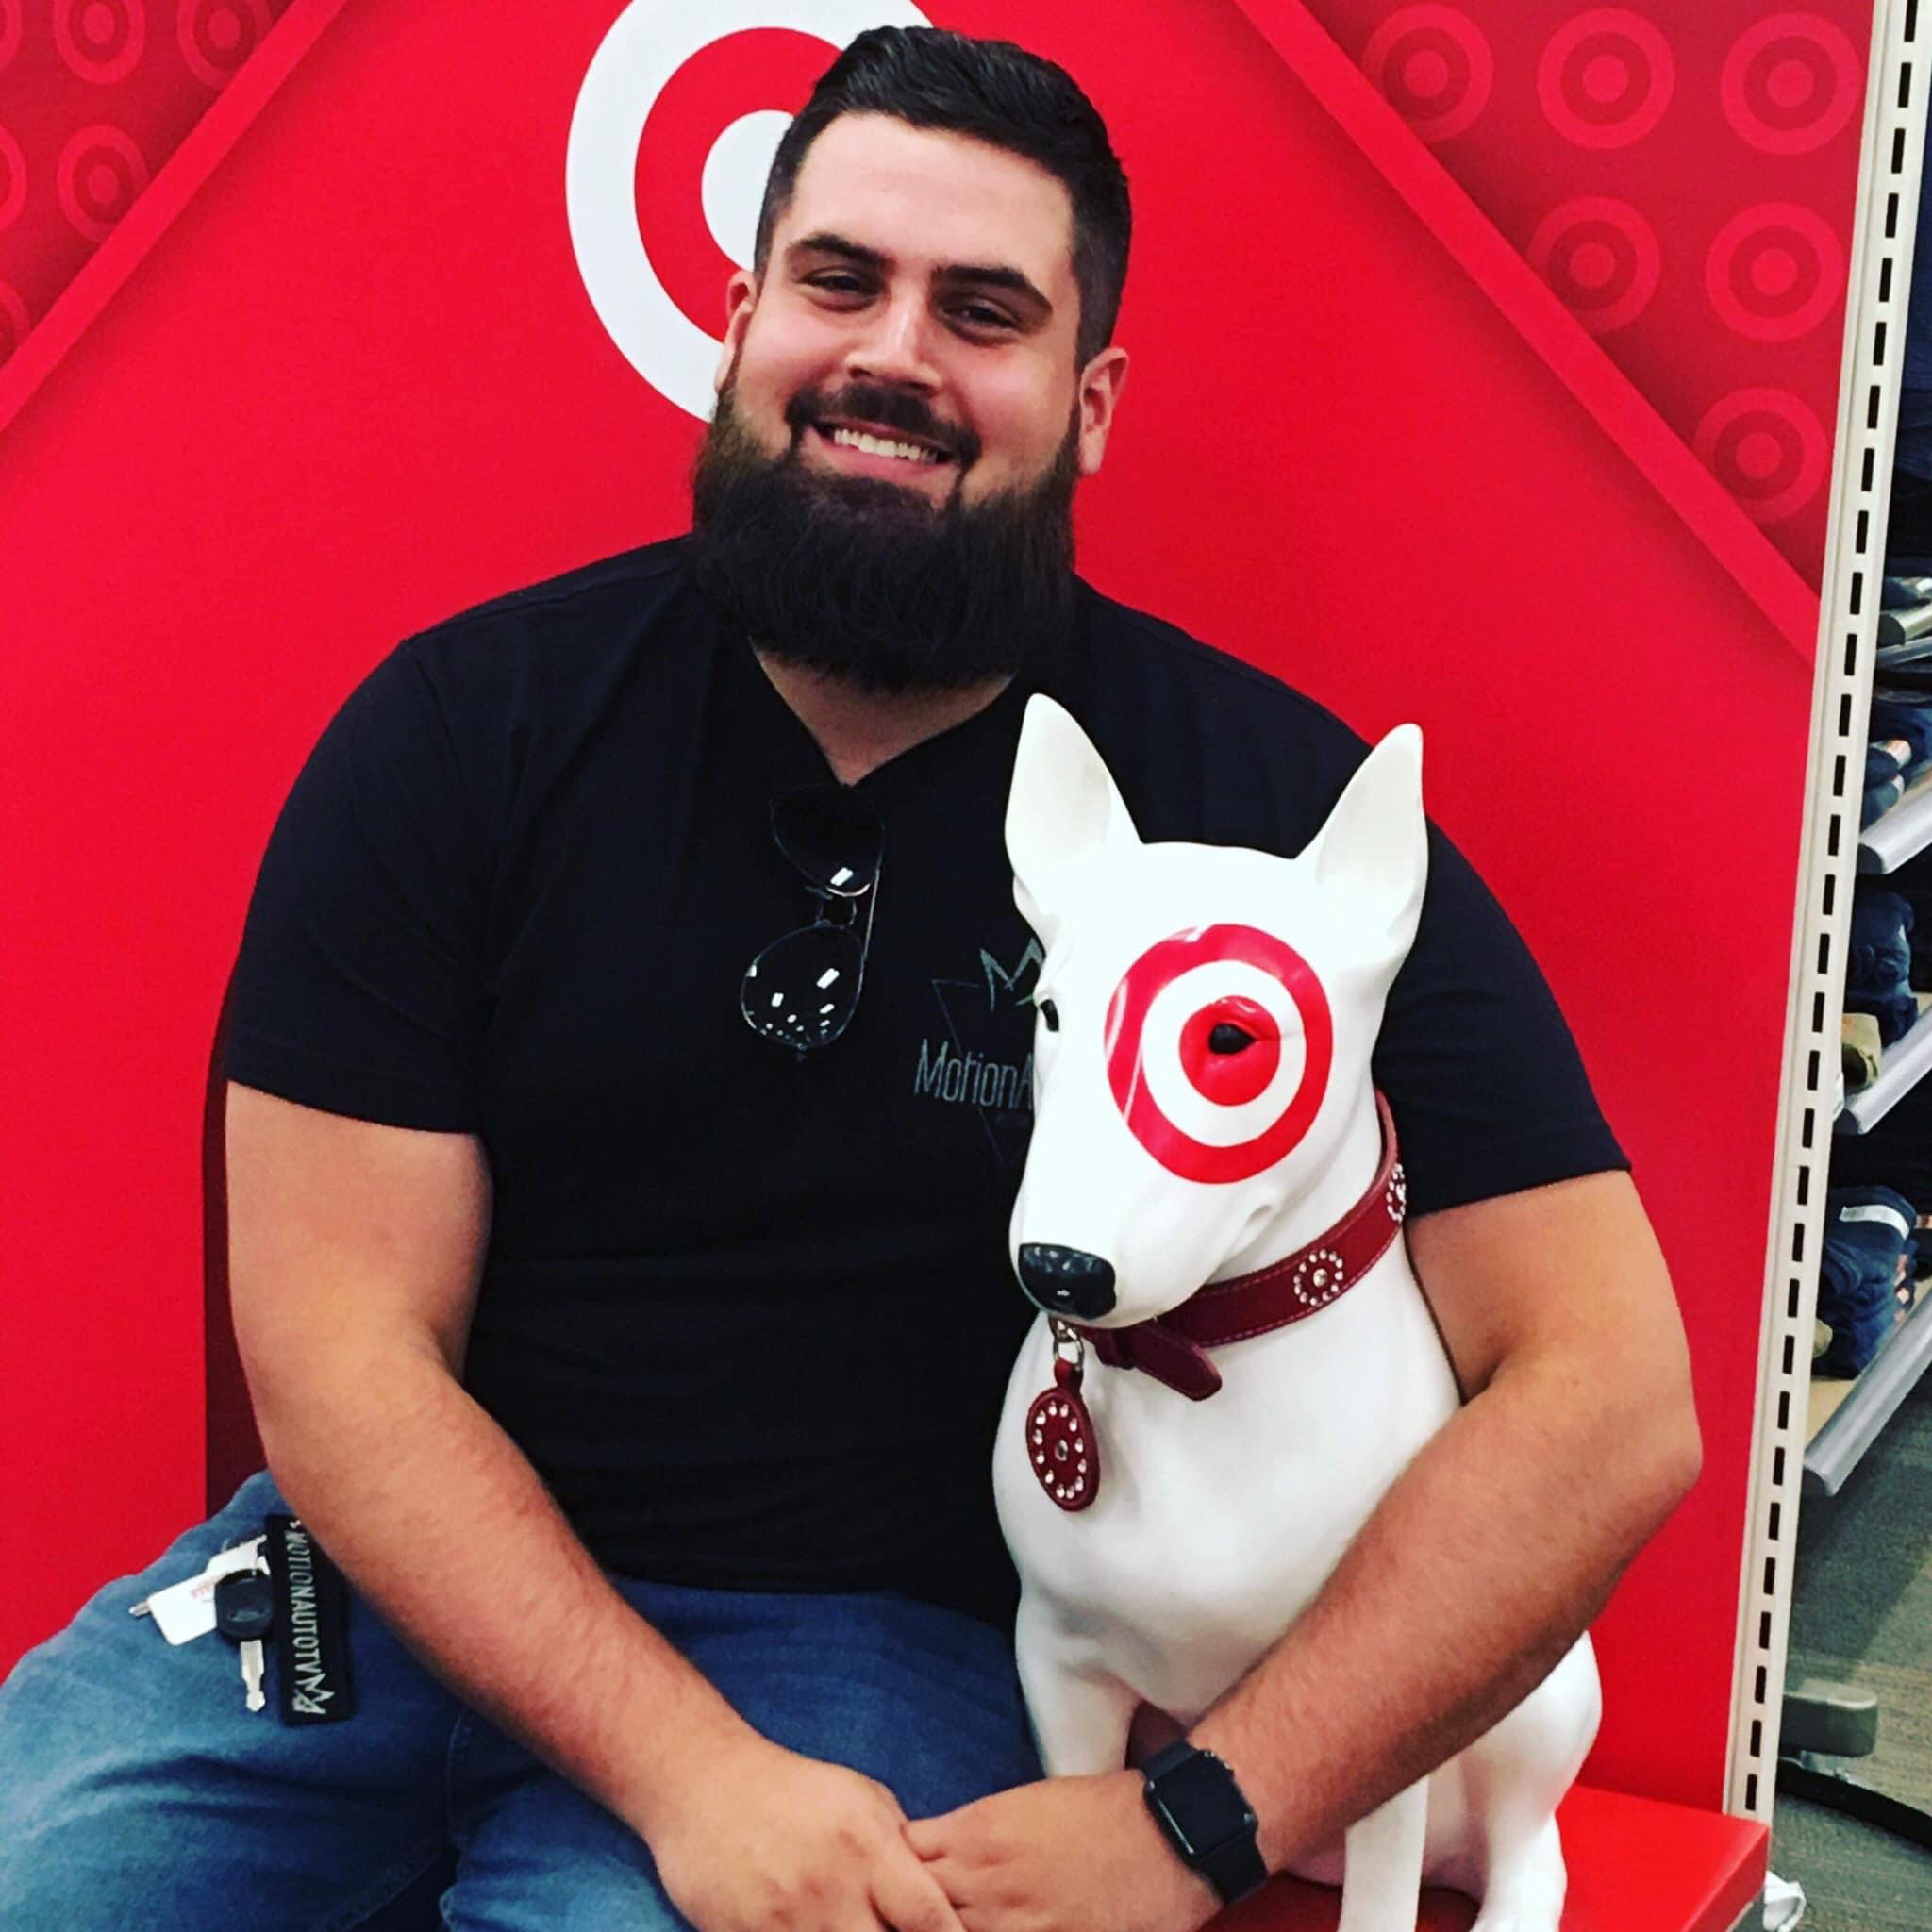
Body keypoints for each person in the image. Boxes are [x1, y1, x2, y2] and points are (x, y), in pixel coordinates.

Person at [0, 26, 1700, 1932]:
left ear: (1091, 401)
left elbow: (1612, 1395)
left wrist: (1201, 1823)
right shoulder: (460, 735)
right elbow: (337, 1356)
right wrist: (681, 1769)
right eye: (837, 280)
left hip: (871, 1653)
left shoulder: (1266, 823)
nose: (894, 355)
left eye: (983, 310)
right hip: (388, 1589)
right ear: (739, 322)